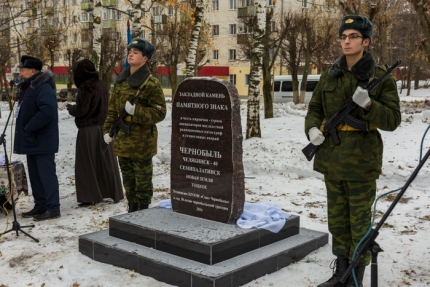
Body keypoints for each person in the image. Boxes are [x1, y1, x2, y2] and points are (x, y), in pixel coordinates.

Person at [304, 15, 401, 287]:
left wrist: (370, 106)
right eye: (343, 37)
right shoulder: (329, 74)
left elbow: (393, 120)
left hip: (360, 162)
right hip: (331, 160)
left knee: (359, 223)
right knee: (337, 221)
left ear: (365, 41)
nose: (346, 41)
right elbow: (315, 110)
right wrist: (312, 130)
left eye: (353, 37)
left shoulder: (379, 76)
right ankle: (340, 272)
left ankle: (356, 277)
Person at [103, 38, 166, 213]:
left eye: (136, 52)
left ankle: (143, 212)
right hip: (123, 141)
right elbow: (112, 110)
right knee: (128, 182)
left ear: (145, 58)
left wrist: (136, 112)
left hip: (142, 143)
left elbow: (160, 113)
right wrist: (106, 132)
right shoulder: (121, 81)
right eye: (130, 51)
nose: (130, 54)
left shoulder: (151, 83)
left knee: (143, 183)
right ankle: (132, 210)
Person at [67, 59, 124, 207]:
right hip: (103, 127)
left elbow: (82, 110)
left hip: (88, 130)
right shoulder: (101, 84)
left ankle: (90, 196)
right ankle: (113, 192)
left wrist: (71, 108)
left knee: (87, 163)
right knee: (105, 162)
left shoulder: (86, 86)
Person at [14, 55, 60, 221]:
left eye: (23, 69)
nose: (20, 72)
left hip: (42, 140)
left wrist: (29, 127)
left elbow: (47, 111)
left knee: (46, 175)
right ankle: (41, 205)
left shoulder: (43, 87)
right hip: (32, 140)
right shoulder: (29, 87)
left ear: (32, 71)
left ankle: (53, 208)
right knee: (35, 175)